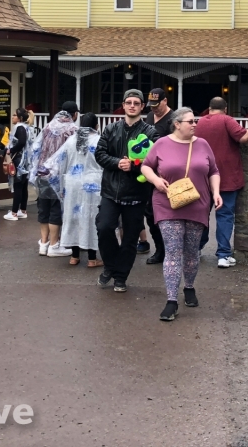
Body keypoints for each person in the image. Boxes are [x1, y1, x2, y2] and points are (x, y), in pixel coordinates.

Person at [141, 108, 222, 322]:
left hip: (198, 204)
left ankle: (189, 287)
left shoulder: (203, 144)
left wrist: (216, 193)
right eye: (190, 121)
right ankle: (171, 301)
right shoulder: (162, 143)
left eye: (195, 121)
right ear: (177, 124)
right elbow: (146, 167)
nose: (194, 124)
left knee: (192, 251)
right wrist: (156, 181)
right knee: (173, 251)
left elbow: (213, 170)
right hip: (167, 204)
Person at [94, 90, 158, 292]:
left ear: (142, 107)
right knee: (104, 228)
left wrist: (135, 167)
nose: (132, 106)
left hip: (137, 193)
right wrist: (117, 162)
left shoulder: (150, 132)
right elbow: (100, 153)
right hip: (111, 190)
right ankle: (111, 267)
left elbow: (155, 160)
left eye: (136, 103)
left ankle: (121, 277)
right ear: (123, 105)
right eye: (129, 102)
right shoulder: (111, 129)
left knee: (130, 238)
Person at [194, 97, 248, 267]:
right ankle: (223, 254)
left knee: (201, 215)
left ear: (209, 109)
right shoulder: (226, 120)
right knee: (225, 215)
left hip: (203, 176)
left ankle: (197, 248)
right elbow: (243, 137)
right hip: (227, 176)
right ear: (226, 108)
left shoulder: (199, 123)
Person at [45, 113, 102, 266]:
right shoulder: (99, 141)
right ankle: (91, 258)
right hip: (92, 184)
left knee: (73, 217)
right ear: (96, 126)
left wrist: (62, 185)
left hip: (72, 183)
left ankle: (74, 256)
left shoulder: (71, 141)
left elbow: (60, 163)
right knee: (90, 218)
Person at [27, 102, 79, 256]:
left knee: (44, 207)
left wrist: (34, 170)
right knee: (56, 209)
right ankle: (55, 245)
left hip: (42, 173)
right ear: (74, 114)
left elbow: (35, 148)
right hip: (60, 176)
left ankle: (43, 243)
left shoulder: (48, 126)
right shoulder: (73, 130)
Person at [140, 88, 174, 263]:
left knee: (168, 215)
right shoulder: (149, 117)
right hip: (148, 171)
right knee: (150, 214)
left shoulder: (172, 120)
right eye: (151, 105)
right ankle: (160, 250)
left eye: (157, 104)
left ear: (165, 101)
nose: (153, 108)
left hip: (166, 172)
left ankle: (171, 251)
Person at [3, 108, 34, 221]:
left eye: (15, 115)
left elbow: (21, 142)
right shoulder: (27, 128)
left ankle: (14, 212)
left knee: (18, 186)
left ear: (20, 118)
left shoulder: (19, 128)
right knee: (23, 186)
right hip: (26, 160)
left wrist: (10, 151)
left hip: (19, 160)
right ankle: (23, 210)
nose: (12, 117)